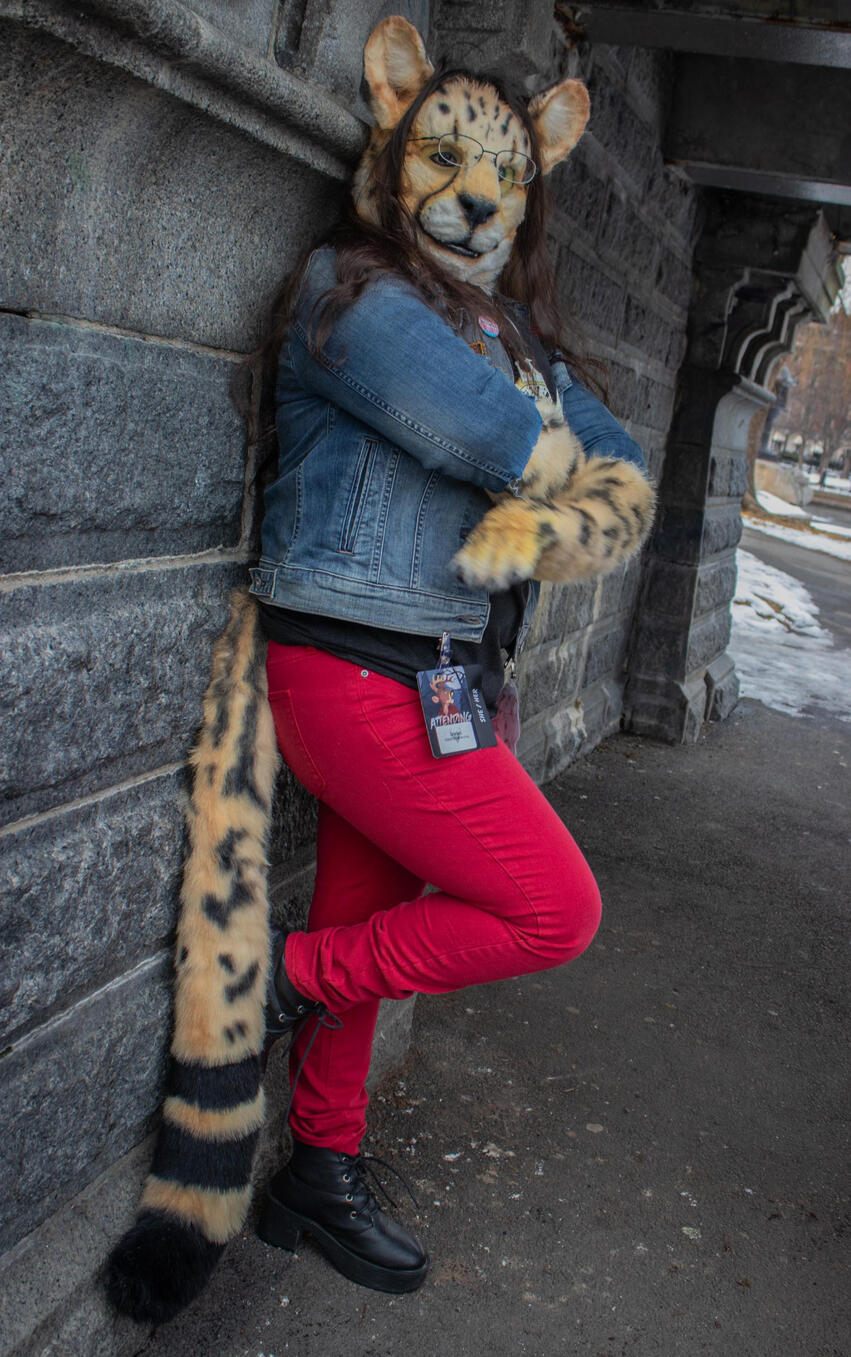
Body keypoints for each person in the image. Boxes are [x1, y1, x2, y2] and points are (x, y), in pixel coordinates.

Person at [244, 19, 649, 1298]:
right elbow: (494, 439)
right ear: (398, 158)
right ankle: (279, 974)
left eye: (504, 176)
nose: (476, 199)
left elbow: (614, 453)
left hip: (433, 678)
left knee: (366, 923)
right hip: (352, 679)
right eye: (448, 162)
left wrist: (573, 456)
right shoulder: (348, 295)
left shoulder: (517, 339)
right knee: (550, 908)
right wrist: (555, 460)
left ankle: (316, 1171)